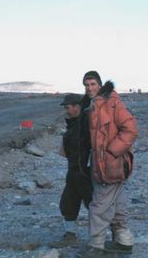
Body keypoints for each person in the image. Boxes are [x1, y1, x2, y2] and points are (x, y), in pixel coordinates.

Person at [77, 71, 138, 257]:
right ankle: (124, 241)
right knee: (116, 203)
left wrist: (112, 151)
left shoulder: (112, 102)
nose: (89, 88)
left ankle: (96, 246)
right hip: (104, 164)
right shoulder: (92, 105)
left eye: (93, 84)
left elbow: (131, 129)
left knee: (99, 206)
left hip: (111, 164)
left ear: (100, 85)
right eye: (86, 85)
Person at [51, 93, 93, 248]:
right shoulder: (75, 123)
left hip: (85, 172)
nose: (66, 111)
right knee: (68, 203)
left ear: (77, 107)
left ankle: (101, 240)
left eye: (68, 107)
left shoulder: (86, 123)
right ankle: (70, 236)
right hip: (74, 171)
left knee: (95, 206)